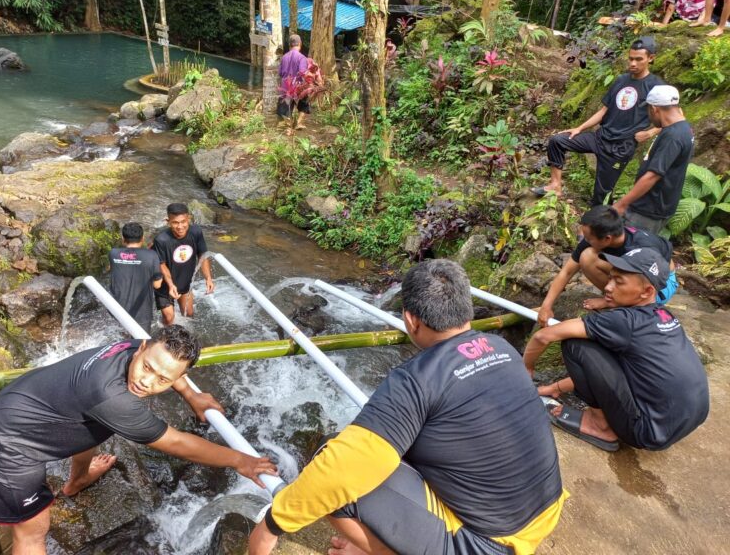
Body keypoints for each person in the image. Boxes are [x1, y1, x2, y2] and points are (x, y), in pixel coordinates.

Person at [249, 259, 567, 555]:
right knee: (393, 446)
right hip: (545, 511)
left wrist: (271, 525)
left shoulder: (417, 379)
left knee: (331, 468)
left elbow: (340, 471)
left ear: (410, 320)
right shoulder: (501, 348)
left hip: (489, 545)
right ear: (466, 313)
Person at [0, 325, 278, 555]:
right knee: (34, 530)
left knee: (92, 428)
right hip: (7, 444)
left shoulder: (134, 347)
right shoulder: (112, 397)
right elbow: (177, 443)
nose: (146, 381)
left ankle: (75, 482)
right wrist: (241, 460)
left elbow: (169, 368)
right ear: (143, 348)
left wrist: (192, 394)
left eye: (162, 380)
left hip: (34, 406)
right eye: (147, 368)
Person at [525, 248, 709, 453]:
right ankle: (603, 418)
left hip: (646, 432)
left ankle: (600, 427)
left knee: (574, 345)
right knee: (606, 349)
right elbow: (613, 371)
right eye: (610, 278)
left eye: (619, 282)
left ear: (647, 291)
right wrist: (555, 389)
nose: (608, 287)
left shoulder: (622, 321)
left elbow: (544, 336)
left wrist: (526, 369)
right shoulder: (664, 316)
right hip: (686, 421)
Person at [534, 37, 663, 203]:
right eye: (631, 58)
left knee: (600, 199)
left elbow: (675, 118)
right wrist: (579, 128)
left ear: (651, 58)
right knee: (557, 141)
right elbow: (604, 110)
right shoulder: (621, 80)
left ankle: (602, 220)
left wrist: (651, 132)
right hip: (600, 137)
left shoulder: (656, 86)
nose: (633, 63)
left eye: (639, 59)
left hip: (621, 147)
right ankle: (555, 185)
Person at [537, 205, 678, 326]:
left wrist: (611, 302)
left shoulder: (642, 249)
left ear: (607, 238)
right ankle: (616, 298)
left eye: (588, 238)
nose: (585, 240)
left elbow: (651, 287)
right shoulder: (604, 235)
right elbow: (566, 272)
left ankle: (614, 302)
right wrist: (546, 306)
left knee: (591, 260)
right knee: (587, 256)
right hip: (633, 274)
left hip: (660, 286)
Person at [612, 85, 694, 235]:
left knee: (632, 252)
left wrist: (621, 204)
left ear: (655, 109)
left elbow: (653, 175)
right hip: (660, 204)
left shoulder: (673, 137)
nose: (648, 115)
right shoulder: (684, 128)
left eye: (648, 109)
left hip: (648, 210)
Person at [153, 203, 214, 326]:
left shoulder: (196, 232)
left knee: (189, 315)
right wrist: (170, 285)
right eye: (175, 222)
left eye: (183, 222)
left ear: (189, 219)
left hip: (185, 283)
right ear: (168, 221)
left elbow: (202, 255)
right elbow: (162, 265)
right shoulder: (161, 240)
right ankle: (165, 337)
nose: (180, 226)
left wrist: (208, 278)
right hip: (165, 286)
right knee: (169, 319)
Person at [109, 222, 163, 334]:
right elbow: (157, 285)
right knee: (140, 343)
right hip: (141, 311)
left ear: (123, 239)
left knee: (122, 338)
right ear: (142, 238)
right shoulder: (151, 255)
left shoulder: (113, 253)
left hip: (117, 308)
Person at [277, 33, 312, 130]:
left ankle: (287, 125)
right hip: (298, 86)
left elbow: (280, 73)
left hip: (285, 87)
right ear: (300, 44)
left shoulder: (284, 57)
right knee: (304, 104)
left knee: (285, 106)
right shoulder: (302, 58)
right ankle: (299, 123)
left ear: (290, 45)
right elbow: (302, 72)